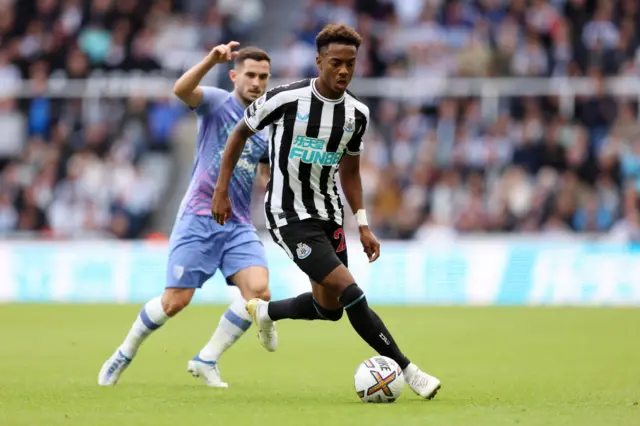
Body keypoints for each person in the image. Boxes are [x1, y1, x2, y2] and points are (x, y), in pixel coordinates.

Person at [211, 25, 441, 399]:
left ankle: (266, 313)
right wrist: (222, 190)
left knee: (329, 308)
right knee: (350, 289)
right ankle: (409, 369)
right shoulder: (285, 99)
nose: (344, 71)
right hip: (288, 215)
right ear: (319, 61)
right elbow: (239, 133)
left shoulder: (357, 114)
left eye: (350, 64)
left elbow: (350, 172)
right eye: (336, 63)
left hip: (329, 215)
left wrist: (363, 225)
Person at [98, 43, 277, 388]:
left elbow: (266, 174)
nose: (256, 82)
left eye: (263, 77)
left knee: (259, 293)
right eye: (250, 75)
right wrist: (211, 58)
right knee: (175, 302)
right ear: (234, 75)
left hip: (238, 223)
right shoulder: (216, 101)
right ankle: (124, 352)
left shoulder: (265, 125)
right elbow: (180, 90)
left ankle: (207, 358)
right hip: (199, 216)